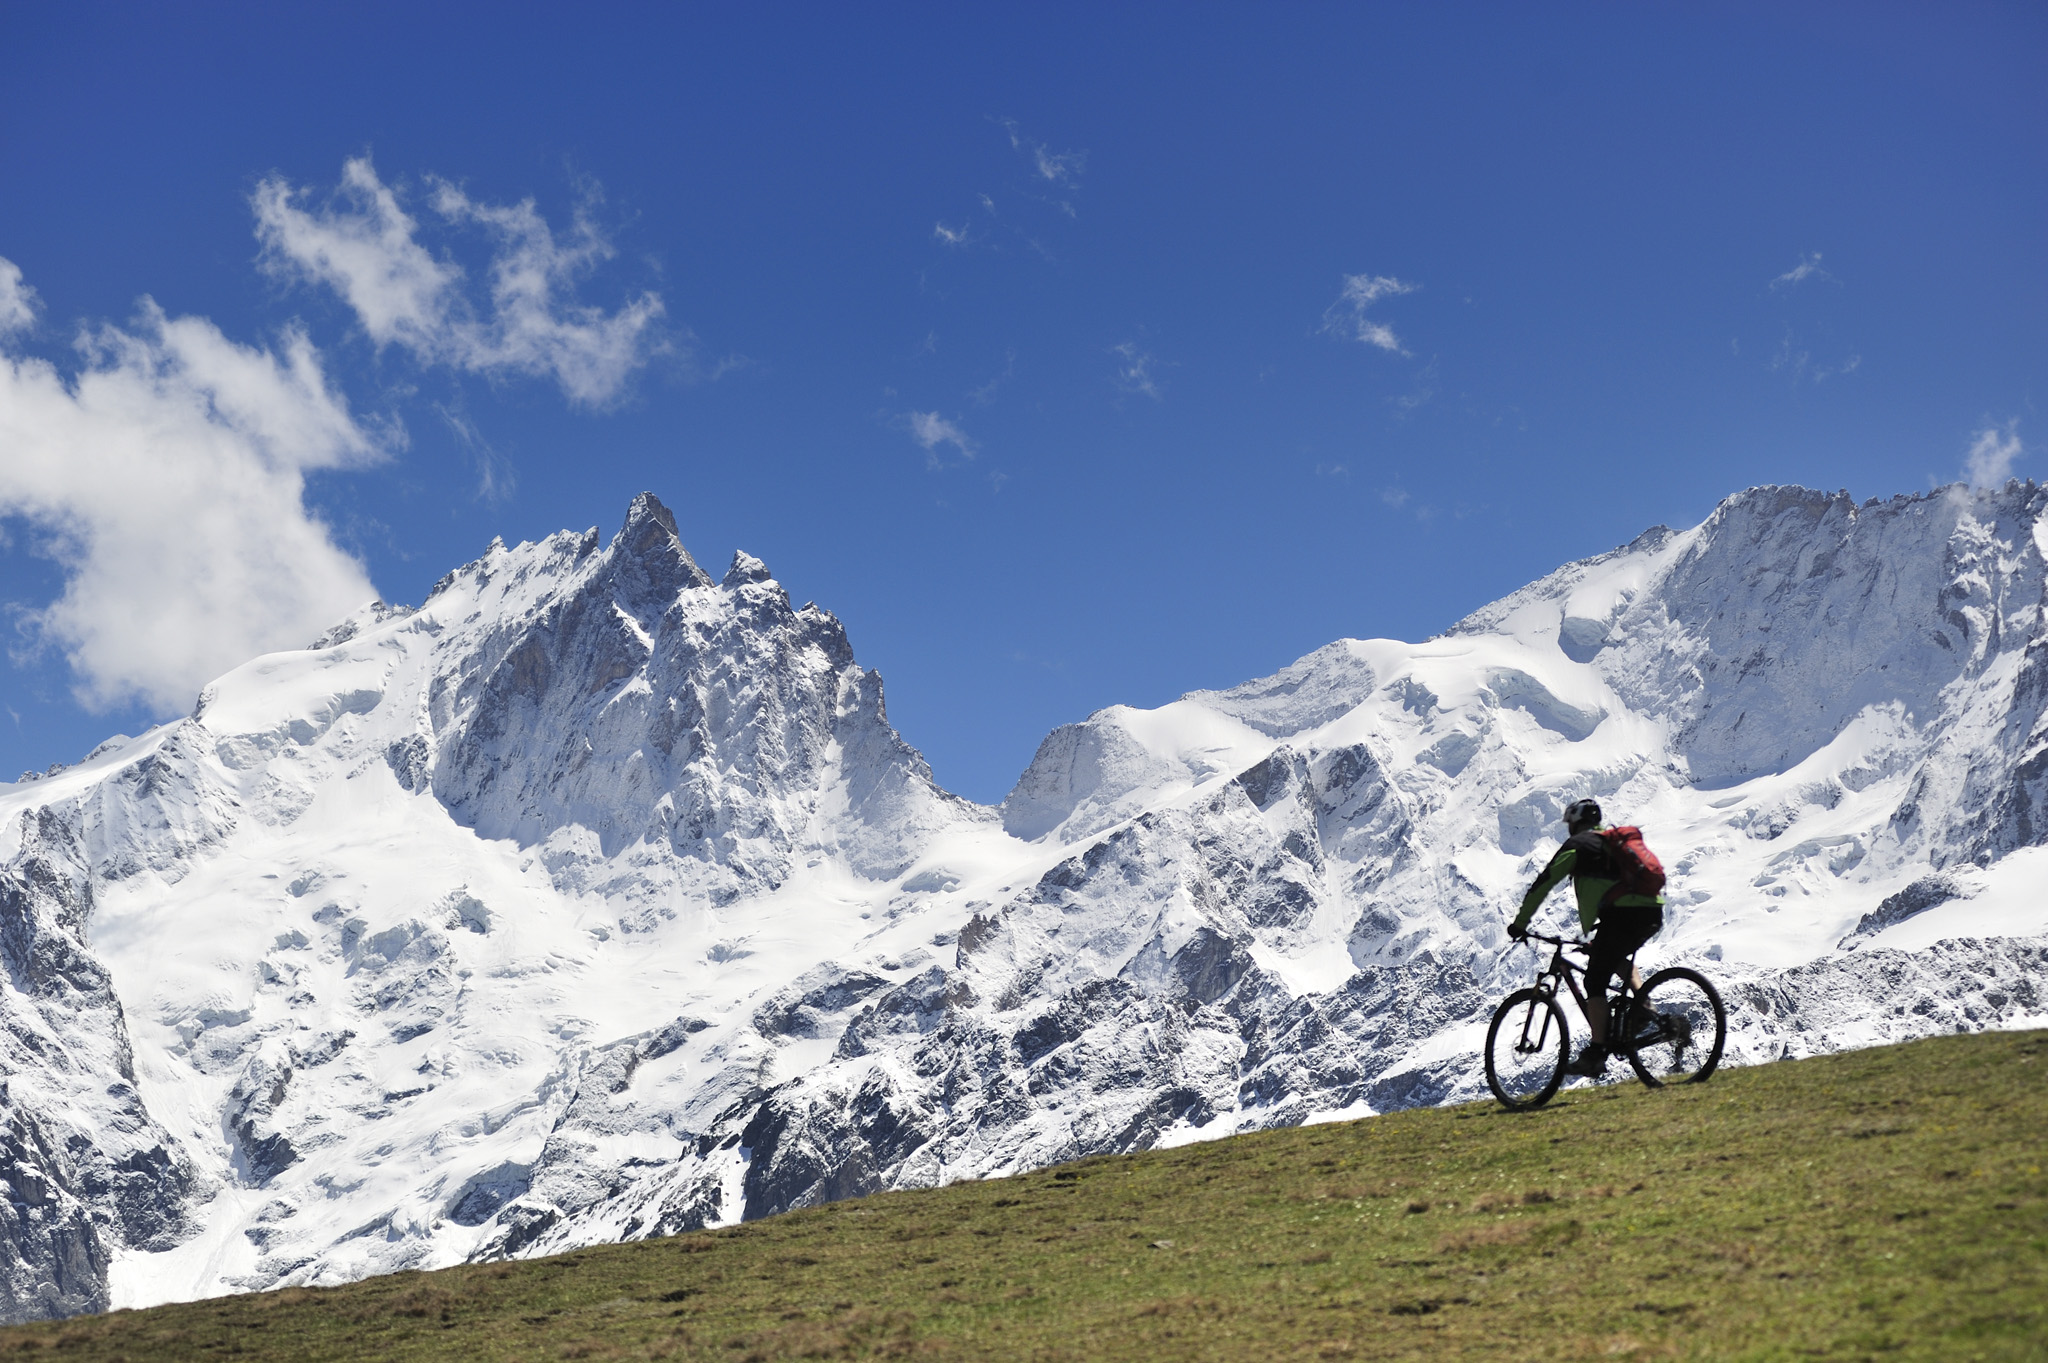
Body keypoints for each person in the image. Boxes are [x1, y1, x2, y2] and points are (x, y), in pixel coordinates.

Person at [1507, 797, 1665, 1078]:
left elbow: (1545, 882)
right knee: (1612, 956)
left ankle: (1596, 1052)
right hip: (1651, 911)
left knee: (1593, 980)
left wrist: (1520, 923)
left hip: (1621, 915)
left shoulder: (1578, 846)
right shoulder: (1612, 844)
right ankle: (1644, 1003)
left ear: (1576, 824)